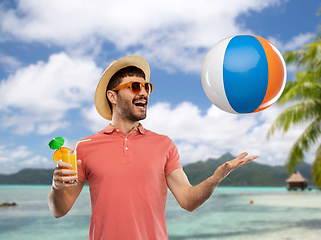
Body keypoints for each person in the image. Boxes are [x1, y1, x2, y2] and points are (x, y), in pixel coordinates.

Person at [47, 55, 258, 240]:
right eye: (135, 87)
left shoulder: (164, 144)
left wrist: (216, 178)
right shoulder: (85, 147)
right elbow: (60, 210)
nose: (144, 93)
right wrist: (57, 188)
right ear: (112, 96)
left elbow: (188, 201)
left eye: (147, 87)